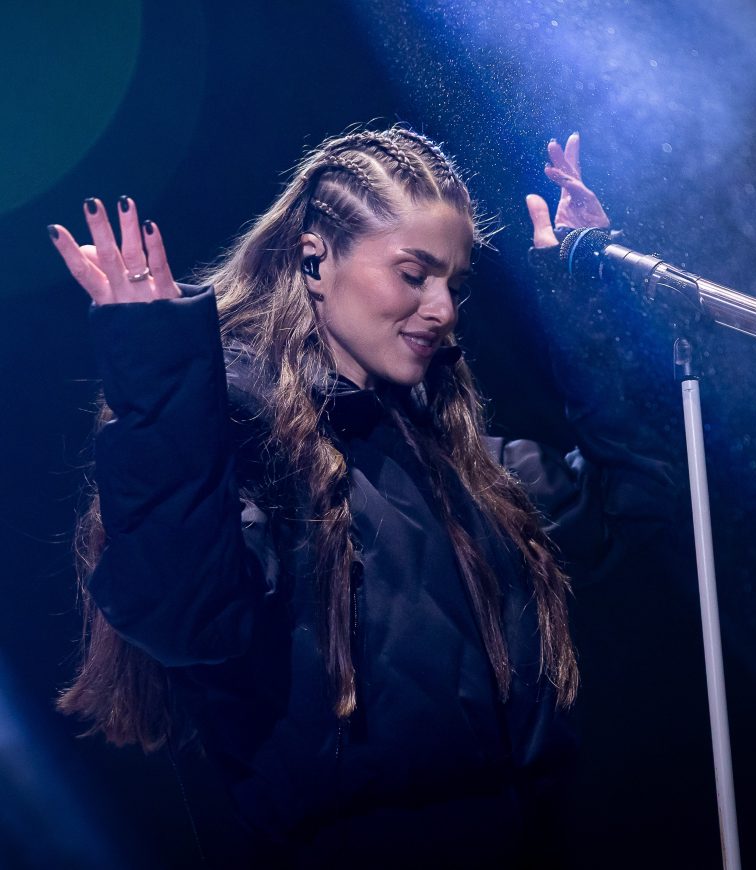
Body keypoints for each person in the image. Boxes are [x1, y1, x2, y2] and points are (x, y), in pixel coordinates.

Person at [48, 127, 680, 867]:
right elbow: (185, 616)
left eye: (454, 284)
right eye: (414, 274)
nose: (443, 308)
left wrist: (588, 301)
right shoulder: (243, 434)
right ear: (315, 260)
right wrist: (159, 381)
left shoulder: (462, 463)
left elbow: (633, 496)